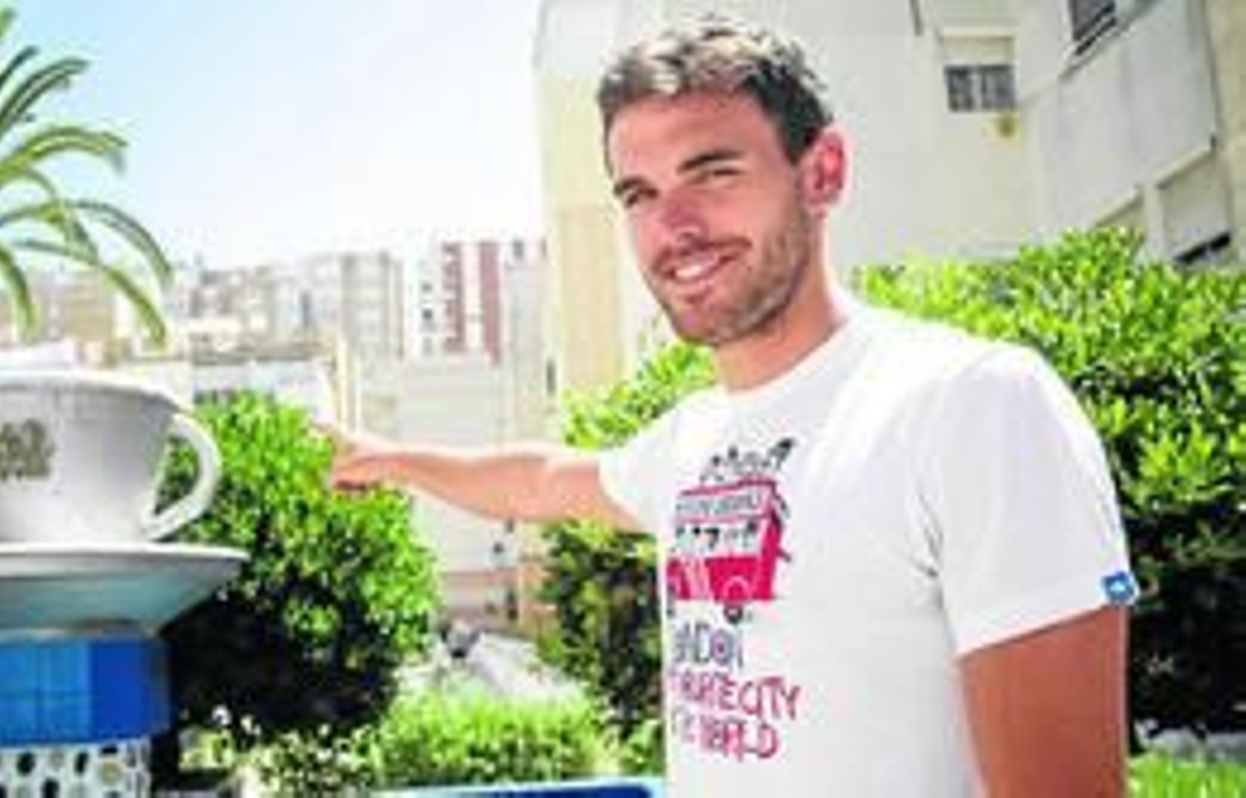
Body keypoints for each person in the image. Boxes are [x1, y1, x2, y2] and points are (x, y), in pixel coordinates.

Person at [327, 13, 1137, 797]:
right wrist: (393, 459)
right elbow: (540, 481)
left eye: (713, 173)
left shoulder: (975, 407)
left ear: (821, 172)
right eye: (639, 193)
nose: (672, 227)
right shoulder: (695, 438)